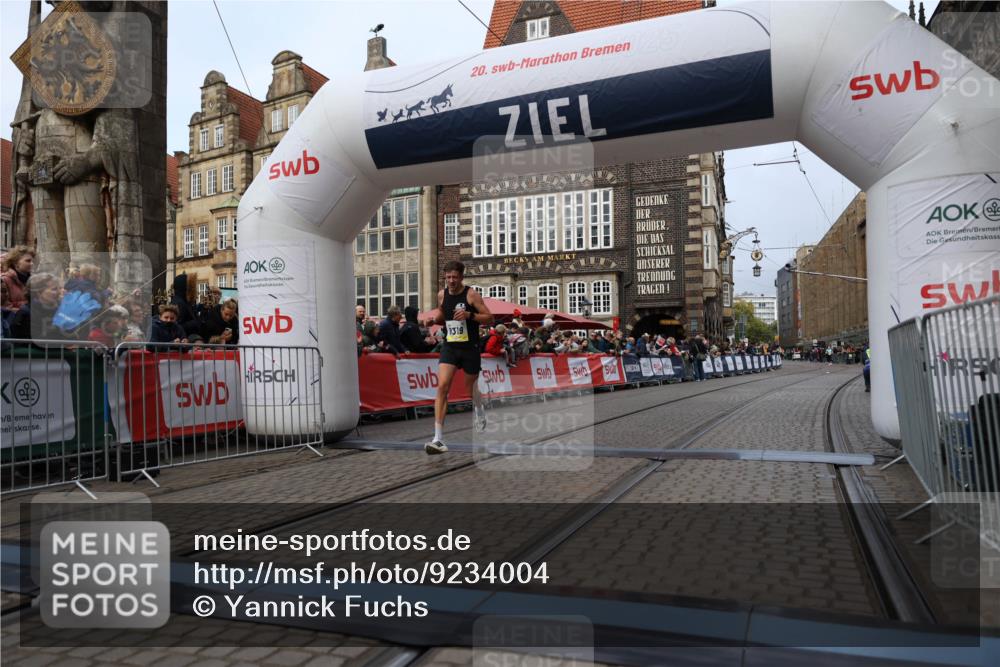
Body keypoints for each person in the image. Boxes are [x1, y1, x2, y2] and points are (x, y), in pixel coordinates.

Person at [425, 261, 493, 455]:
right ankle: (438, 439)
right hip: (450, 347)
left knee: (470, 390)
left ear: (461, 277)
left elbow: (490, 318)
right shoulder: (442, 294)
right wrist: (433, 319)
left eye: (455, 277)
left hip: (470, 348)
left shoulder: (471, 294)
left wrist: (469, 315)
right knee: (442, 386)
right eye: (448, 278)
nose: (451, 281)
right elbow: (442, 313)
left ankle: (479, 409)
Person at [10, 273, 65, 341]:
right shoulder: (26, 313)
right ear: (38, 292)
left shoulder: (59, 310)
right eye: (54, 289)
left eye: (59, 288)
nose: (59, 292)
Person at [2, 246, 35, 311]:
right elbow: (4, 308)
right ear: (16, 263)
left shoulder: (34, 280)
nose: (32, 264)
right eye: (28, 261)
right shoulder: (4, 280)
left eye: (32, 261)